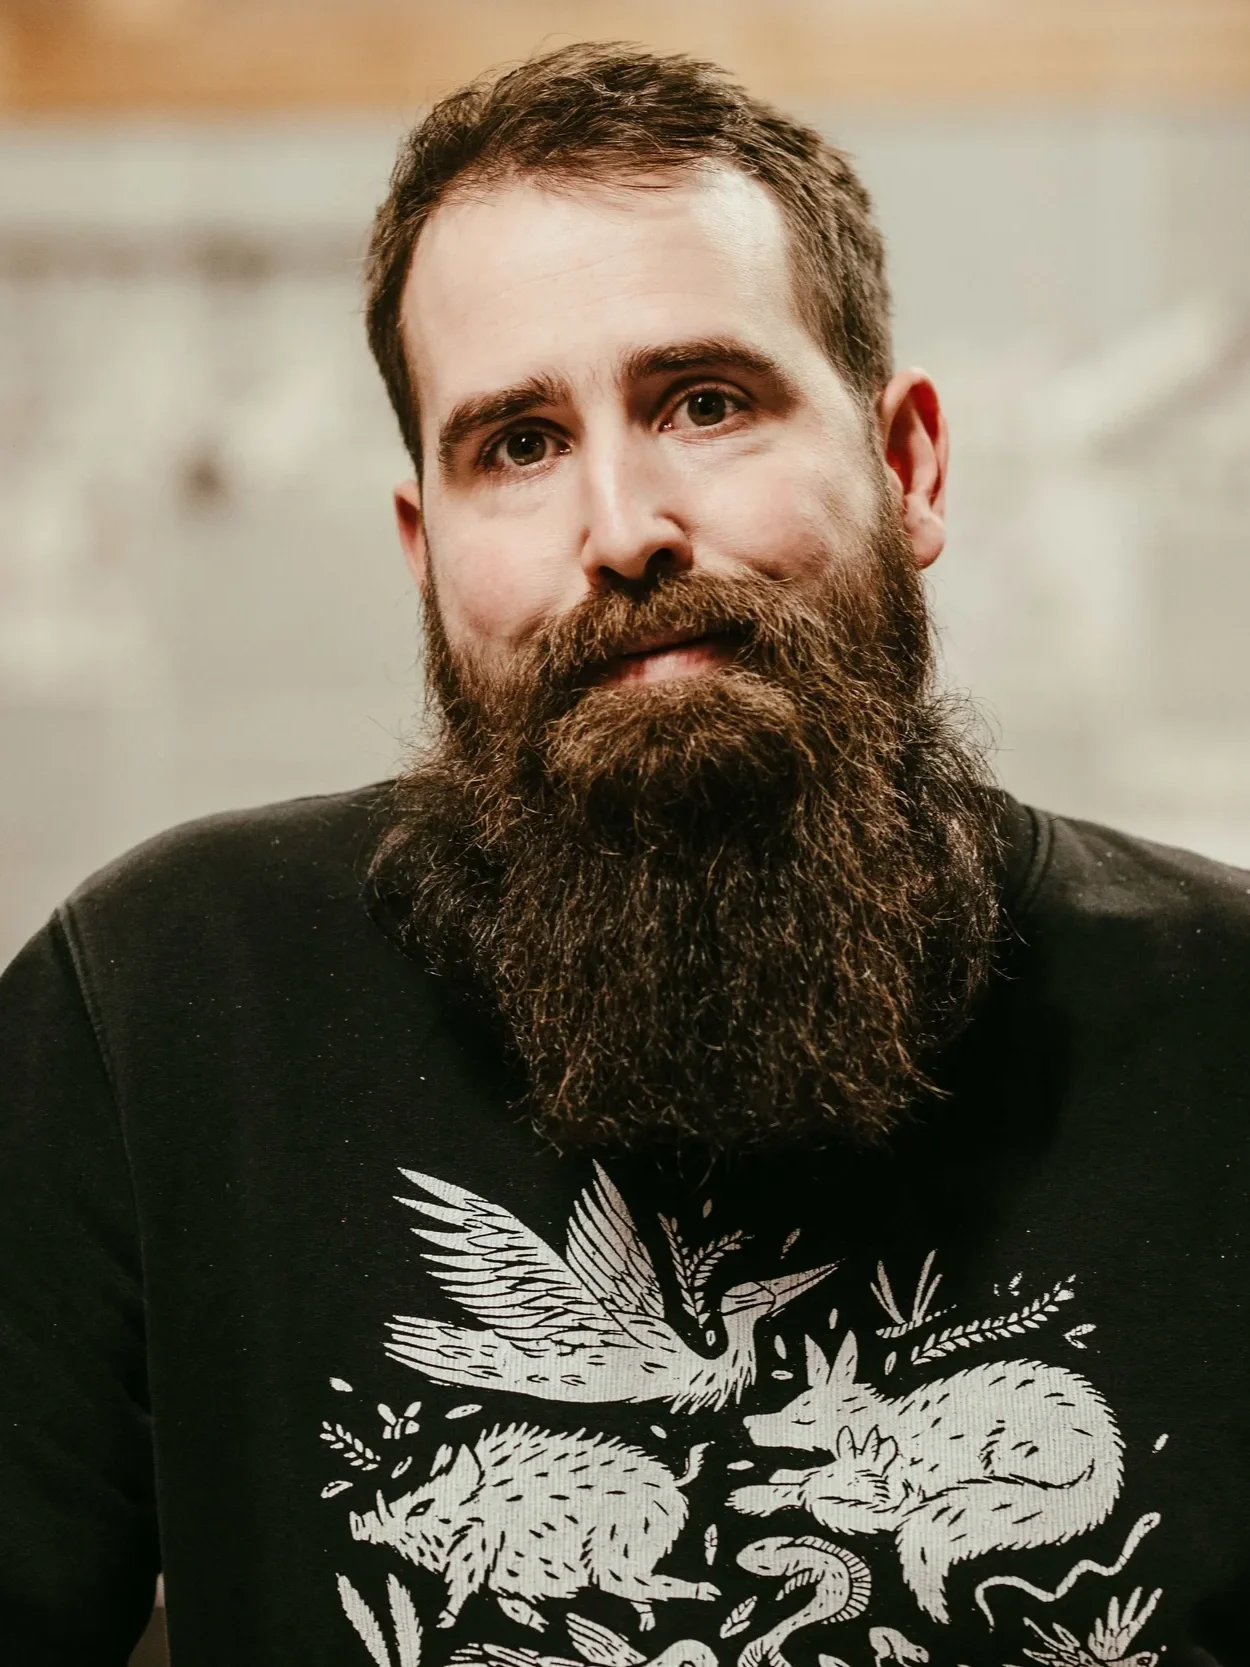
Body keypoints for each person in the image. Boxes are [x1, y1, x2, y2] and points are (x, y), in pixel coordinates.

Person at [1, 40, 1246, 1667]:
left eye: (706, 402)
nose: (623, 524)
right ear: (424, 549)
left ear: (908, 463)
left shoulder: (1226, 1027)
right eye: (513, 443)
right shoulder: (159, 1012)